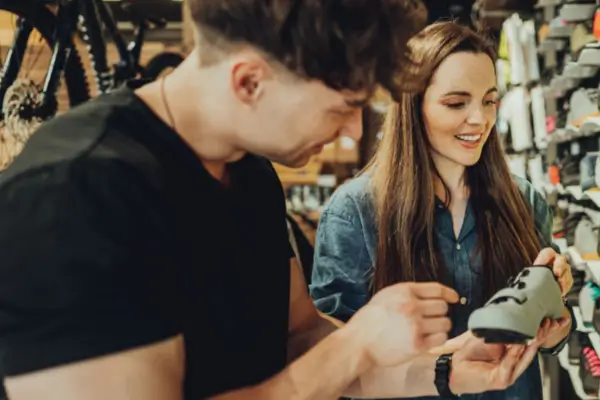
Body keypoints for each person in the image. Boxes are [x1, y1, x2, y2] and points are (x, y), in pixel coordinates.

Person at [0, 3, 545, 400]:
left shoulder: (251, 175)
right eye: (341, 107)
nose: (354, 130)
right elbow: (331, 358)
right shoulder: (71, 197)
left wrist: (444, 370)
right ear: (249, 82)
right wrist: (355, 344)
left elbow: (298, 337)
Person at [310, 21, 575, 400]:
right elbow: (333, 358)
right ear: (414, 105)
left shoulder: (523, 201)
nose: (480, 119)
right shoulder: (354, 212)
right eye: (456, 103)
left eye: (489, 100)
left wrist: (552, 314)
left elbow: (553, 338)